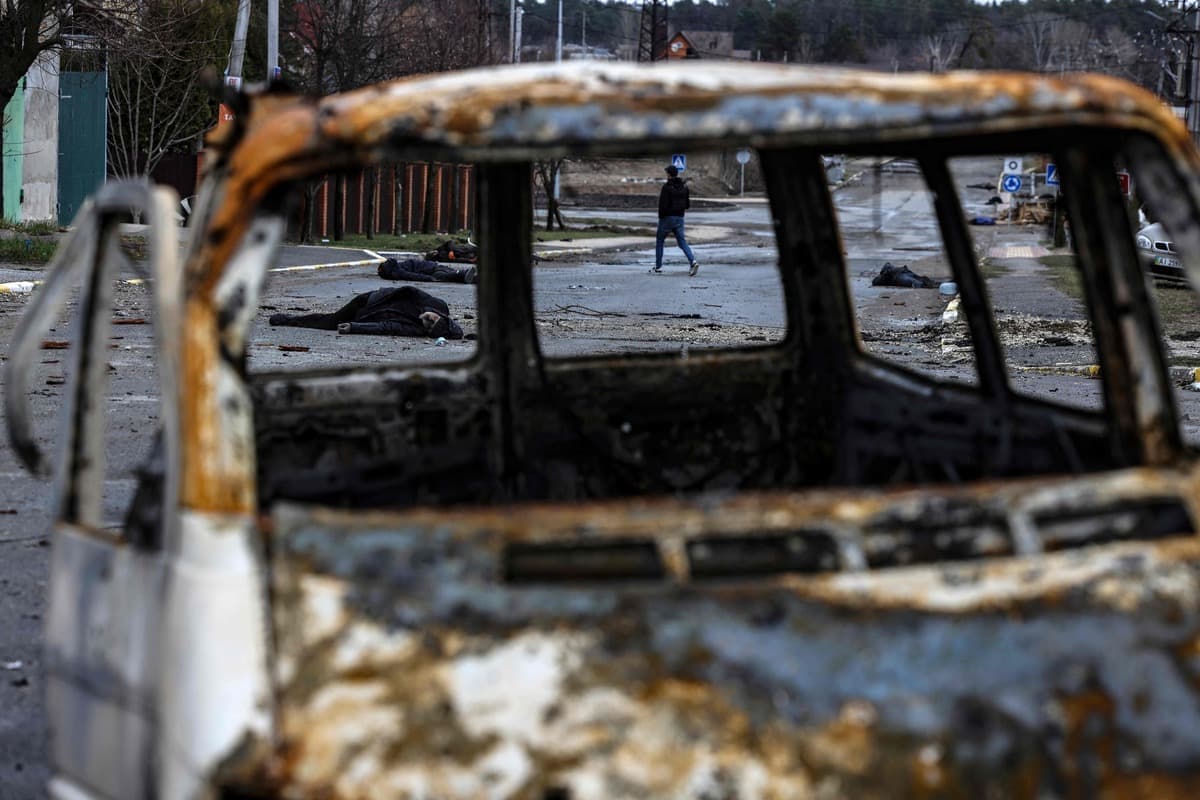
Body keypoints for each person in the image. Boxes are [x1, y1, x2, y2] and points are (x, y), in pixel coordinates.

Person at [268, 285, 464, 339]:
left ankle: (289, 319)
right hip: (371, 299)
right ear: (440, 316)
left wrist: (354, 327)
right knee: (329, 320)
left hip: (368, 315)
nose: (426, 323)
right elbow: (410, 290)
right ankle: (289, 319)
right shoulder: (437, 304)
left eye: (429, 328)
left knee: (331, 323)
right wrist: (428, 310)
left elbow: (388, 328)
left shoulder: (419, 330)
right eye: (431, 321)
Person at [654, 164, 700, 276]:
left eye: (667, 173)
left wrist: (661, 217)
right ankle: (693, 261)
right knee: (682, 241)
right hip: (680, 217)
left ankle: (658, 266)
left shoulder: (667, 187)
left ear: (669, 174)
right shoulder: (684, 187)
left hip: (667, 218)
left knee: (660, 241)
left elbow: (662, 205)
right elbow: (687, 204)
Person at [377, 257, 477, 284]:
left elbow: (412, 276)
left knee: (444, 276)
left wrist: (430, 278)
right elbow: (412, 275)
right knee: (451, 276)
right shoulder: (399, 266)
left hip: (433, 270)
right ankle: (474, 278)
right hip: (434, 267)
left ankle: (464, 274)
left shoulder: (396, 271)